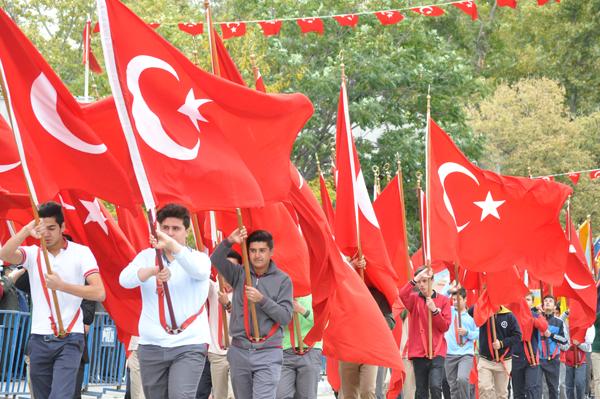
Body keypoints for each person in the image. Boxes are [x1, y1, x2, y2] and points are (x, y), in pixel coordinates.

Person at [0, 201, 106, 399]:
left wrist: (62, 286)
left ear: (62, 227)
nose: (46, 233)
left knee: (61, 395)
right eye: (42, 228)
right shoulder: (33, 253)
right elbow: (4, 254)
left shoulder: (81, 252)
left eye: (52, 228)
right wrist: (26, 230)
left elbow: (99, 292)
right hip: (38, 339)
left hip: (70, 338)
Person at [119, 203, 212, 399]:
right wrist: (151, 271)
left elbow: (201, 272)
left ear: (186, 232)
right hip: (152, 345)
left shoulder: (198, 258)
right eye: (165, 228)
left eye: (176, 229)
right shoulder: (146, 257)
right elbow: (124, 280)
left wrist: (173, 247)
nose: (170, 233)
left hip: (189, 345)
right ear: (157, 230)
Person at [211, 228, 293, 399]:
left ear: (271, 251)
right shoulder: (239, 273)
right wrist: (230, 240)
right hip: (239, 350)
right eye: (253, 250)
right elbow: (215, 259)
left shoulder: (283, 280)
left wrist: (262, 300)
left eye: (262, 250)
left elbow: (285, 317)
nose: (257, 255)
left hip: (268, 351)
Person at [339, 257, 395, 399]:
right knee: (349, 394)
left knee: (368, 390)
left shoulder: (378, 294)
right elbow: (335, 280)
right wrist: (350, 266)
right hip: (348, 349)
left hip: (370, 350)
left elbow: (390, 321)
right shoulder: (344, 291)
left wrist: (375, 323)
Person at [399, 266, 451, 399]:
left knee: (435, 386)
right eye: (419, 282)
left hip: (437, 351)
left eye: (425, 281)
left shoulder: (443, 300)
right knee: (421, 391)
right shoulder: (414, 299)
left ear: (432, 280)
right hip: (418, 351)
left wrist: (434, 311)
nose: (421, 285)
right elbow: (401, 295)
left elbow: (445, 326)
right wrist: (414, 280)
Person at [468, 303, 522, 399]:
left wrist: (501, 343)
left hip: (503, 360)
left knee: (501, 394)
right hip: (485, 360)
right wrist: (484, 300)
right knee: (484, 388)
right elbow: (471, 311)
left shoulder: (509, 315)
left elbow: (517, 336)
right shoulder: (484, 312)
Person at [207, 250, 240, 399]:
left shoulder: (245, 293)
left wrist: (228, 304)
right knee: (219, 395)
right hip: (217, 354)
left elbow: (245, 320)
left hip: (238, 353)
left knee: (236, 395)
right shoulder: (212, 288)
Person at [276, 294, 322, 399]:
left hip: (310, 351)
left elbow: (324, 322)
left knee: (307, 396)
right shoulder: (281, 294)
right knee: (280, 395)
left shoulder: (316, 293)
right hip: (285, 352)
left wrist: (302, 310)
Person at [511, 293, 548, 399]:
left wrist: (531, 319)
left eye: (528, 299)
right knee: (518, 392)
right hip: (516, 357)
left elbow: (544, 326)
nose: (525, 302)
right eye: (523, 299)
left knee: (531, 389)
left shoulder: (535, 314)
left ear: (532, 302)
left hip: (531, 359)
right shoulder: (512, 315)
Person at [444, 287, 478, 399]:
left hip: (465, 354)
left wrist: (467, 332)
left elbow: (478, 333)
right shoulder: (449, 311)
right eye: (453, 299)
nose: (455, 302)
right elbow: (441, 300)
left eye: (458, 299)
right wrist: (449, 290)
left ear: (465, 300)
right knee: (453, 387)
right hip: (449, 354)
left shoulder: (471, 317)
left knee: (462, 379)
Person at [539, 295, 568, 399]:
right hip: (537, 360)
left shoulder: (559, 322)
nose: (547, 302)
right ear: (542, 305)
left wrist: (551, 335)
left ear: (555, 306)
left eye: (550, 301)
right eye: (545, 301)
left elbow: (565, 341)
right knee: (537, 388)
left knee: (553, 389)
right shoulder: (536, 319)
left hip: (553, 360)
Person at [563, 320, 595, 399]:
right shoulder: (566, 325)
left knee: (580, 383)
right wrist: (566, 345)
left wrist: (579, 344)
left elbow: (587, 347)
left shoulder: (584, 327)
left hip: (581, 361)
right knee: (569, 385)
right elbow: (562, 344)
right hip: (568, 361)